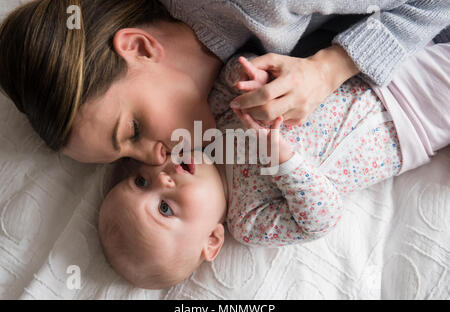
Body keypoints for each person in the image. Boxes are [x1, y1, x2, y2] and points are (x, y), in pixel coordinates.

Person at [97, 42, 450, 289]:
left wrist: (254, 81)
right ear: (212, 240)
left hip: (365, 67)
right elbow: (321, 217)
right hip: (411, 118)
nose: (162, 177)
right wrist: (280, 155)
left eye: (141, 181)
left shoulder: (209, 131)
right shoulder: (248, 221)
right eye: (164, 207)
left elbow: (234, 71)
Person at [0, 0, 448, 165]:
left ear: (139, 47)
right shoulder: (227, 64)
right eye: (128, 158)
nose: (154, 162)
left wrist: (331, 67)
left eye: (132, 131)